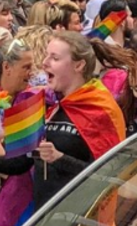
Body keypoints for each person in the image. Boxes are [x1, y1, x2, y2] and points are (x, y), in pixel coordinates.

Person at [30, 31, 126, 216]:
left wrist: (60, 158)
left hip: (81, 223)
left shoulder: (100, 109)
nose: (45, 62)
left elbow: (107, 175)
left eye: (55, 58)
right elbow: (18, 162)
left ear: (79, 65)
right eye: (46, 55)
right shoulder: (52, 106)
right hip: (43, 219)